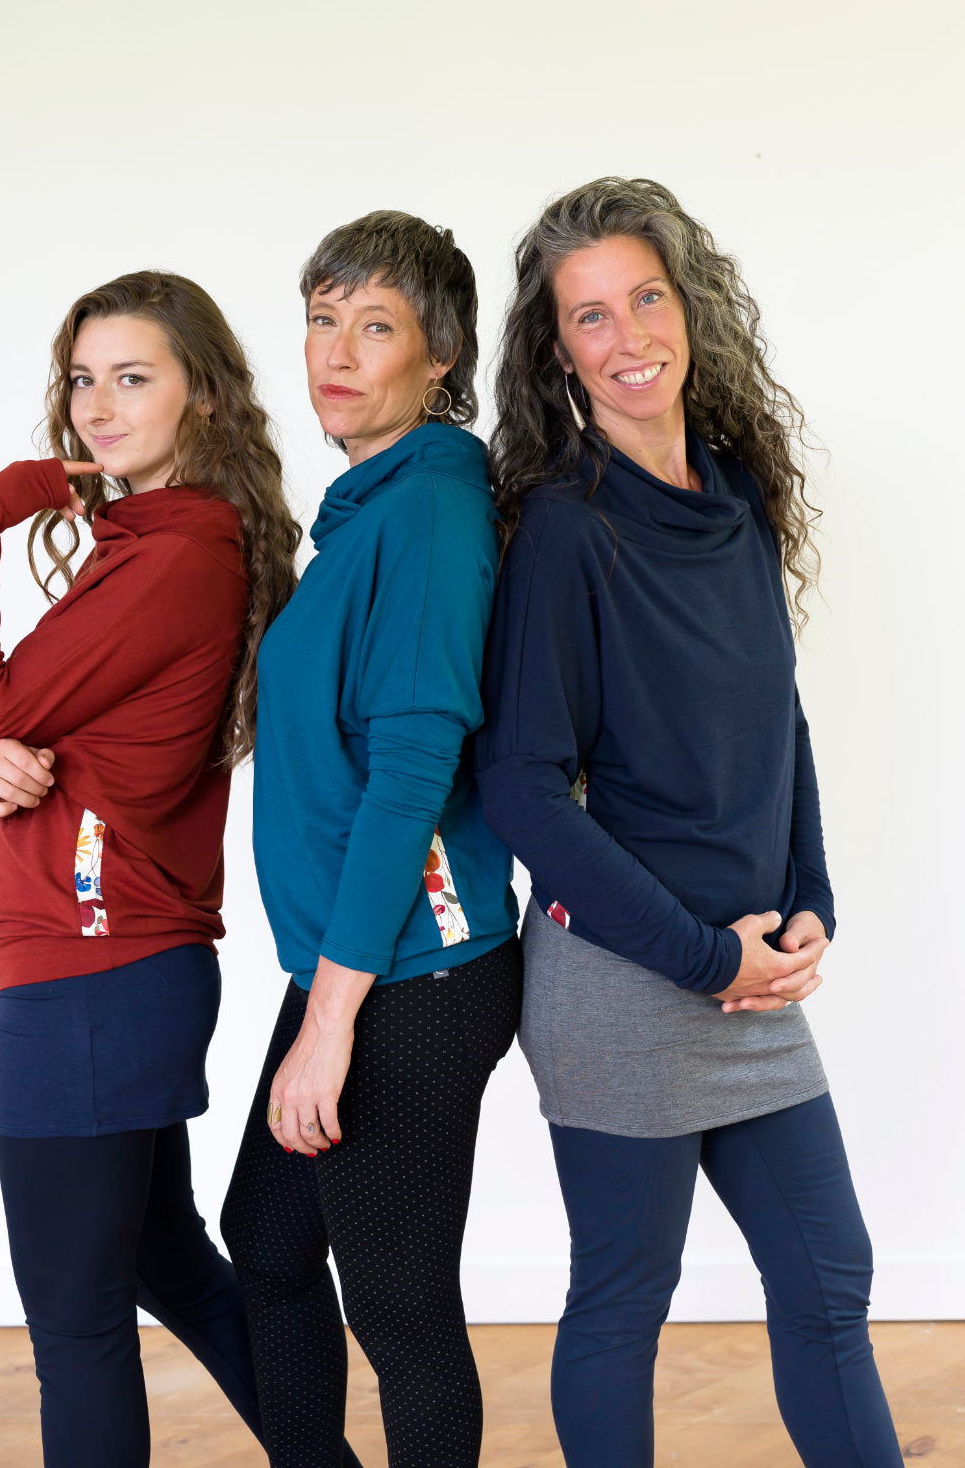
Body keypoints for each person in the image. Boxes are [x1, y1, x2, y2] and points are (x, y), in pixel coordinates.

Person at [474, 178, 904, 1468]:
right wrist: (709, 955)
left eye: (643, 298)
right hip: (621, 979)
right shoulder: (563, 527)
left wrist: (809, 893)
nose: (625, 337)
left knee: (829, 1275)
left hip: (755, 979)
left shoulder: (737, 498)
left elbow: (780, 723)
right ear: (559, 351)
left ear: (687, 305)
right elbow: (521, 789)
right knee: (623, 1295)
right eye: (589, 316)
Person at [0, 270, 364, 1468]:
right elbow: (13, 729)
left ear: (205, 399)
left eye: (134, 377)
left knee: (75, 1333)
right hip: (113, 969)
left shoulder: (173, 551)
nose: (99, 407)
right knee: (161, 1258)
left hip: (88, 973)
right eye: (84, 379)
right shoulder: (152, 541)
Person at [219, 211, 522, 1468]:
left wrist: (329, 1022)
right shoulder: (364, 507)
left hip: (413, 975)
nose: (336, 352)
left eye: (376, 326)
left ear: (438, 358)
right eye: (321, 317)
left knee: (397, 1307)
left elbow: (410, 775)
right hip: (359, 962)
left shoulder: (431, 511)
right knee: (272, 1240)